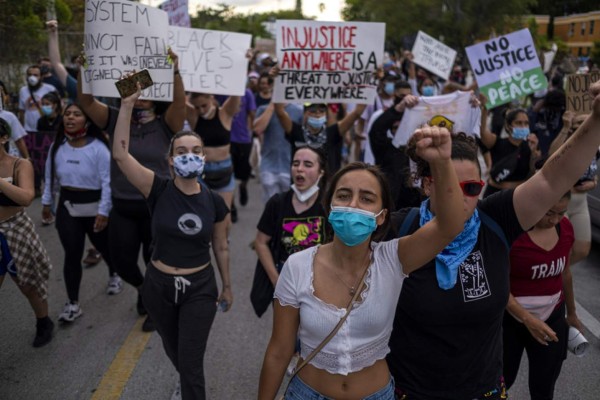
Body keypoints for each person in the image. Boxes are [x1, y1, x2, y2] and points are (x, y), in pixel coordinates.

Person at [386, 81, 600, 400]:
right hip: (410, 392)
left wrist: (596, 120)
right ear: (428, 185)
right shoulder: (400, 228)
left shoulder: (495, 220)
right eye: (448, 186)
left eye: (471, 188)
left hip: (482, 391)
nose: (460, 199)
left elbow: (553, 177)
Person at [258, 126, 465, 400]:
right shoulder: (297, 266)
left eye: (367, 198)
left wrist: (441, 162)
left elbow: (450, 225)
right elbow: (279, 350)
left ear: (381, 216)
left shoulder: (394, 258)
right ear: (329, 205)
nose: (354, 204)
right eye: (344, 195)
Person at [112, 83, 231, 400]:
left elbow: (221, 246)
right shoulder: (158, 189)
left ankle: (189, 385)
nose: (188, 156)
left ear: (204, 158)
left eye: (195, 151)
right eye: (181, 152)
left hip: (200, 288)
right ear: (169, 161)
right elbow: (121, 155)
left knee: (191, 363)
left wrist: (228, 285)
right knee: (173, 346)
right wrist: (126, 106)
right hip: (158, 287)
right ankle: (186, 377)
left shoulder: (216, 202)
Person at [77, 49, 185, 331]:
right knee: (122, 261)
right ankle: (141, 288)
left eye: (148, 85)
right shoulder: (114, 117)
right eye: (136, 84)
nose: (142, 90)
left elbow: (180, 103)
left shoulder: (166, 124)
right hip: (123, 205)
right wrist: (84, 69)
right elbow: (85, 100)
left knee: (155, 262)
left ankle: (152, 302)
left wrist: (174, 70)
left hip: (156, 206)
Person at [41, 103, 119, 322]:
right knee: (72, 254)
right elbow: (50, 177)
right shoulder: (57, 147)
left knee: (106, 248)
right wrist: (47, 203)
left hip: (96, 207)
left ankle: (114, 274)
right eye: (67, 114)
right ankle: (73, 304)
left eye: (77, 114)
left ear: (87, 120)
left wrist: (104, 211)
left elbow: (108, 183)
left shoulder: (99, 149)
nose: (70, 118)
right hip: (68, 207)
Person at [503, 191, 583, 399]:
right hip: (510, 320)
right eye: (548, 213)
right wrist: (527, 319)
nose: (554, 220)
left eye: (561, 213)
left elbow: (565, 273)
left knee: (544, 386)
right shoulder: (511, 234)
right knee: (502, 380)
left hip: (552, 317)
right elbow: (498, 286)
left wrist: (572, 313)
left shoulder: (565, 228)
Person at [0, 117, 54, 347]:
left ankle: (43, 321)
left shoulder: (20, 165)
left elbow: (26, 197)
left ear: (4, 138)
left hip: (16, 231)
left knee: (28, 284)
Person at [255, 145, 329, 288]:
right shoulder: (277, 203)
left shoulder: (328, 206)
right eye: (295, 164)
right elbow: (260, 242)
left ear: (321, 172)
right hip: (286, 275)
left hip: (320, 277)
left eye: (308, 164)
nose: (299, 169)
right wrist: (276, 280)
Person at [548, 111, 598, 265]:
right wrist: (565, 128)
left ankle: (557, 274)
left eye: (586, 124)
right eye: (578, 125)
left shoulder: (594, 145)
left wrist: (594, 183)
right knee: (561, 247)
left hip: (581, 203)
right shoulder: (566, 144)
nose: (583, 128)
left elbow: (593, 172)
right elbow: (551, 157)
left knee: (582, 249)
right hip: (563, 202)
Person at [187, 92, 240, 228]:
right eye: (197, 107)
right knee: (200, 214)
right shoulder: (193, 115)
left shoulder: (224, 113)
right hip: (200, 170)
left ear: (211, 98)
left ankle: (223, 245)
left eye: (204, 105)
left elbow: (236, 94)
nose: (201, 110)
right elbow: (178, 98)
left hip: (223, 170)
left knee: (223, 218)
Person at [480, 107, 541, 198]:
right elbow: (482, 131)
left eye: (526, 123)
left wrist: (533, 154)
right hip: (494, 196)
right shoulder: (496, 142)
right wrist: (485, 108)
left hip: (517, 197)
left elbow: (532, 174)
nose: (523, 126)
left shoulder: (531, 146)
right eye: (518, 123)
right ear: (509, 126)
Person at [253, 101, 301, 202]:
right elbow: (257, 129)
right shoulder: (263, 109)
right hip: (268, 165)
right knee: (271, 205)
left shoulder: (298, 110)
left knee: (288, 205)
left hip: (289, 165)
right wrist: (271, 107)